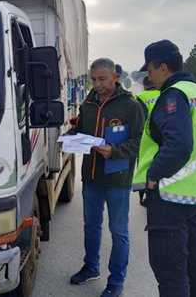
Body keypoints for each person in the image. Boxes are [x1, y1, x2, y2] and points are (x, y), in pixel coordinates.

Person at [133, 40, 196, 297]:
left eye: (149, 70)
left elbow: (179, 144)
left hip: (171, 192)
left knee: (169, 268)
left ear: (162, 67)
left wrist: (153, 176)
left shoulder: (174, 94)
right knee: (193, 260)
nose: (148, 76)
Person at [67, 58, 145, 297]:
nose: (97, 84)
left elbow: (138, 143)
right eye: (94, 79)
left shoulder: (131, 105)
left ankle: (116, 281)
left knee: (119, 232)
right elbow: (82, 131)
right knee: (91, 227)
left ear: (115, 77)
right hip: (91, 178)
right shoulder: (88, 103)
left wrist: (115, 151)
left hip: (117, 180)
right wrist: (68, 138)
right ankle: (91, 267)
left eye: (102, 79)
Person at [134, 76, 160, 206]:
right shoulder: (165, 94)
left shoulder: (141, 97)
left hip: (147, 140)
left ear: (144, 86)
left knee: (144, 167)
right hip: (163, 140)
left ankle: (143, 196)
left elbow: (138, 121)